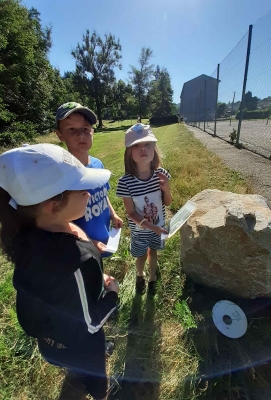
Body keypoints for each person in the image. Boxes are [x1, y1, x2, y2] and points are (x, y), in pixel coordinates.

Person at [0, 144, 119, 400]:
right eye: (82, 189)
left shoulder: (26, 235)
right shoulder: (78, 260)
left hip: (51, 341)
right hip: (78, 344)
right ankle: (99, 393)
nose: (89, 193)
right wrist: (112, 295)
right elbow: (89, 324)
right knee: (96, 377)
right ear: (53, 206)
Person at [55, 102, 123, 257]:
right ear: (59, 134)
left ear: (92, 131)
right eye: (71, 129)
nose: (80, 134)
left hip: (103, 238)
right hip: (79, 246)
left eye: (85, 129)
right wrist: (90, 242)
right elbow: (59, 221)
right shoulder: (61, 175)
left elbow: (103, 194)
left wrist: (113, 215)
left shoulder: (98, 164)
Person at [116, 124, 172, 295]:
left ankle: (153, 277)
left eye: (147, 144)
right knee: (140, 256)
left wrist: (167, 188)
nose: (143, 149)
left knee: (153, 252)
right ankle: (140, 275)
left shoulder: (161, 174)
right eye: (136, 146)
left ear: (154, 148)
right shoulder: (125, 182)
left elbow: (168, 203)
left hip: (159, 226)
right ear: (129, 153)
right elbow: (131, 213)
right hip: (140, 231)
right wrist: (152, 227)